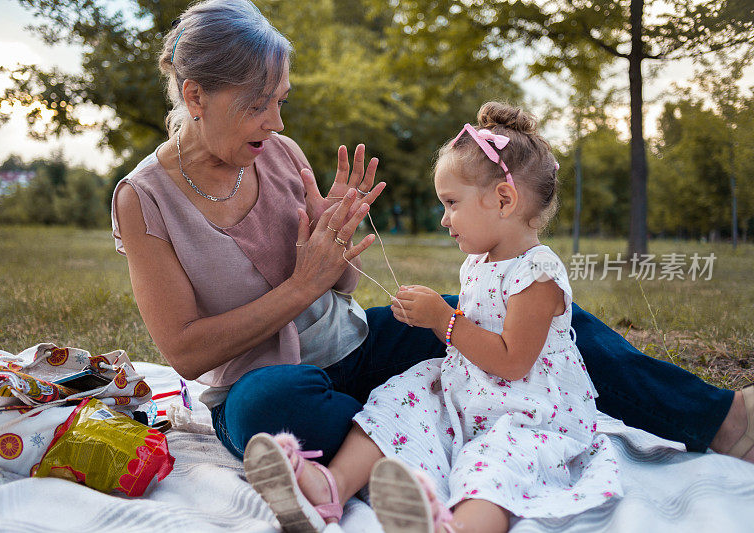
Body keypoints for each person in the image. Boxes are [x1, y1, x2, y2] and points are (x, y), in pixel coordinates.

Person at [110, 1, 753, 524]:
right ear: (195, 95)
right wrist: (301, 282)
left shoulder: (280, 154)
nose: (276, 120)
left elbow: (340, 286)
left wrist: (338, 244)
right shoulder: (144, 199)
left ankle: (721, 420)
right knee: (264, 410)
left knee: (522, 313)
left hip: (357, 348)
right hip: (266, 385)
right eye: (258, 103)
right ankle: (417, 439)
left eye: (281, 99)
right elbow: (187, 352)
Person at [245, 102, 626, 532]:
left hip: (525, 412)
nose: (444, 219)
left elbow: (514, 362)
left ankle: (460, 526)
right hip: (469, 393)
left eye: (451, 203)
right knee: (400, 398)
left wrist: (443, 319)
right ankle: (331, 486)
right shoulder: (480, 262)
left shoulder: (536, 273)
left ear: (503, 199)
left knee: (495, 462)